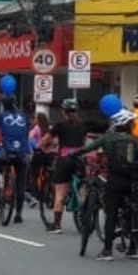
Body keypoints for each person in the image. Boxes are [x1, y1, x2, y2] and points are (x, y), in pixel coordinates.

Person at [75, 108, 138, 261]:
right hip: (131, 180)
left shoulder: (108, 138)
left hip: (115, 179)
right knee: (132, 212)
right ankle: (133, 249)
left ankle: (107, 251)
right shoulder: (134, 139)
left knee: (111, 213)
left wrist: (76, 152)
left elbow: (89, 148)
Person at [0, 95, 31, 224]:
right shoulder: (24, 116)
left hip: (8, 152)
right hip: (22, 153)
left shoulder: (1, 116)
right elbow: (26, 133)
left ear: (4, 105)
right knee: (21, 184)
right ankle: (18, 214)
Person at [43, 99, 87, 234]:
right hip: (79, 160)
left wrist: (40, 148)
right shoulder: (83, 125)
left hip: (64, 159)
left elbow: (46, 140)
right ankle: (85, 214)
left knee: (60, 193)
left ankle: (57, 225)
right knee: (83, 188)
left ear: (64, 112)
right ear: (76, 111)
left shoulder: (60, 125)